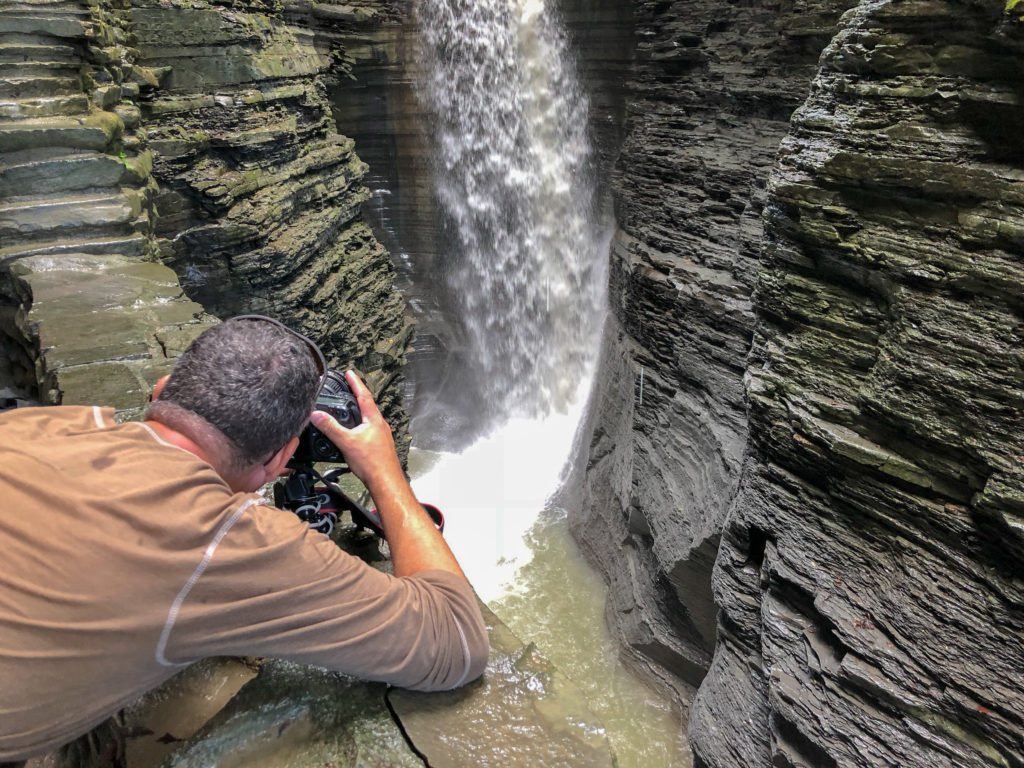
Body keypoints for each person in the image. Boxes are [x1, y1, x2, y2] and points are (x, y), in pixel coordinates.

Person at [0, 315, 489, 765]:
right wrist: (384, 472)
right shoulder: (222, 541)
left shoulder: (36, 426)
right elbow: (456, 641)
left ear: (162, 390)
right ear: (280, 460)